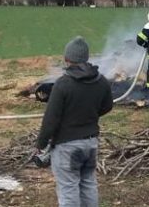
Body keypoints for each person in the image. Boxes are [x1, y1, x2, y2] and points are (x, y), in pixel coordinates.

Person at [36, 36, 113, 207]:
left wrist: (41, 143)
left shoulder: (63, 84)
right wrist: (90, 116)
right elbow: (107, 106)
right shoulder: (101, 81)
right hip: (90, 143)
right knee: (88, 185)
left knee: (68, 190)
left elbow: (51, 119)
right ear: (86, 58)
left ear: (67, 59)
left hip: (67, 147)